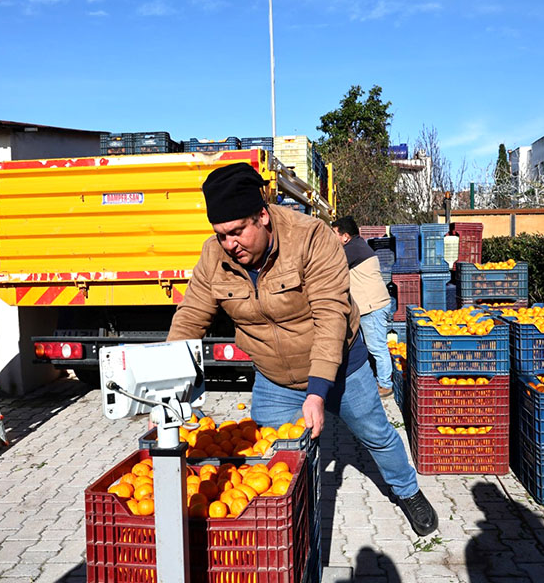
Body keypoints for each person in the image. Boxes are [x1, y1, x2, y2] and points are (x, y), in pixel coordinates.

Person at [167, 163, 438, 536]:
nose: (230, 244)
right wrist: (165, 390)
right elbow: (190, 317)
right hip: (275, 377)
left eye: (236, 233)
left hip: (342, 367)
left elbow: (331, 315)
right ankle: (290, 526)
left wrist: (317, 392)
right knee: (274, 459)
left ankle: (408, 491)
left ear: (262, 216)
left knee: (376, 433)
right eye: (221, 235)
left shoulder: (311, 237)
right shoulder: (215, 256)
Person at [330, 216, 394, 398]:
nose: (332, 238)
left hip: (372, 306)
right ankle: (377, 380)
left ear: (345, 236)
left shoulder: (352, 249)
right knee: (370, 345)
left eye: (334, 233)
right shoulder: (357, 246)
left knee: (377, 347)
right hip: (370, 305)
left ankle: (385, 384)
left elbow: (330, 267)